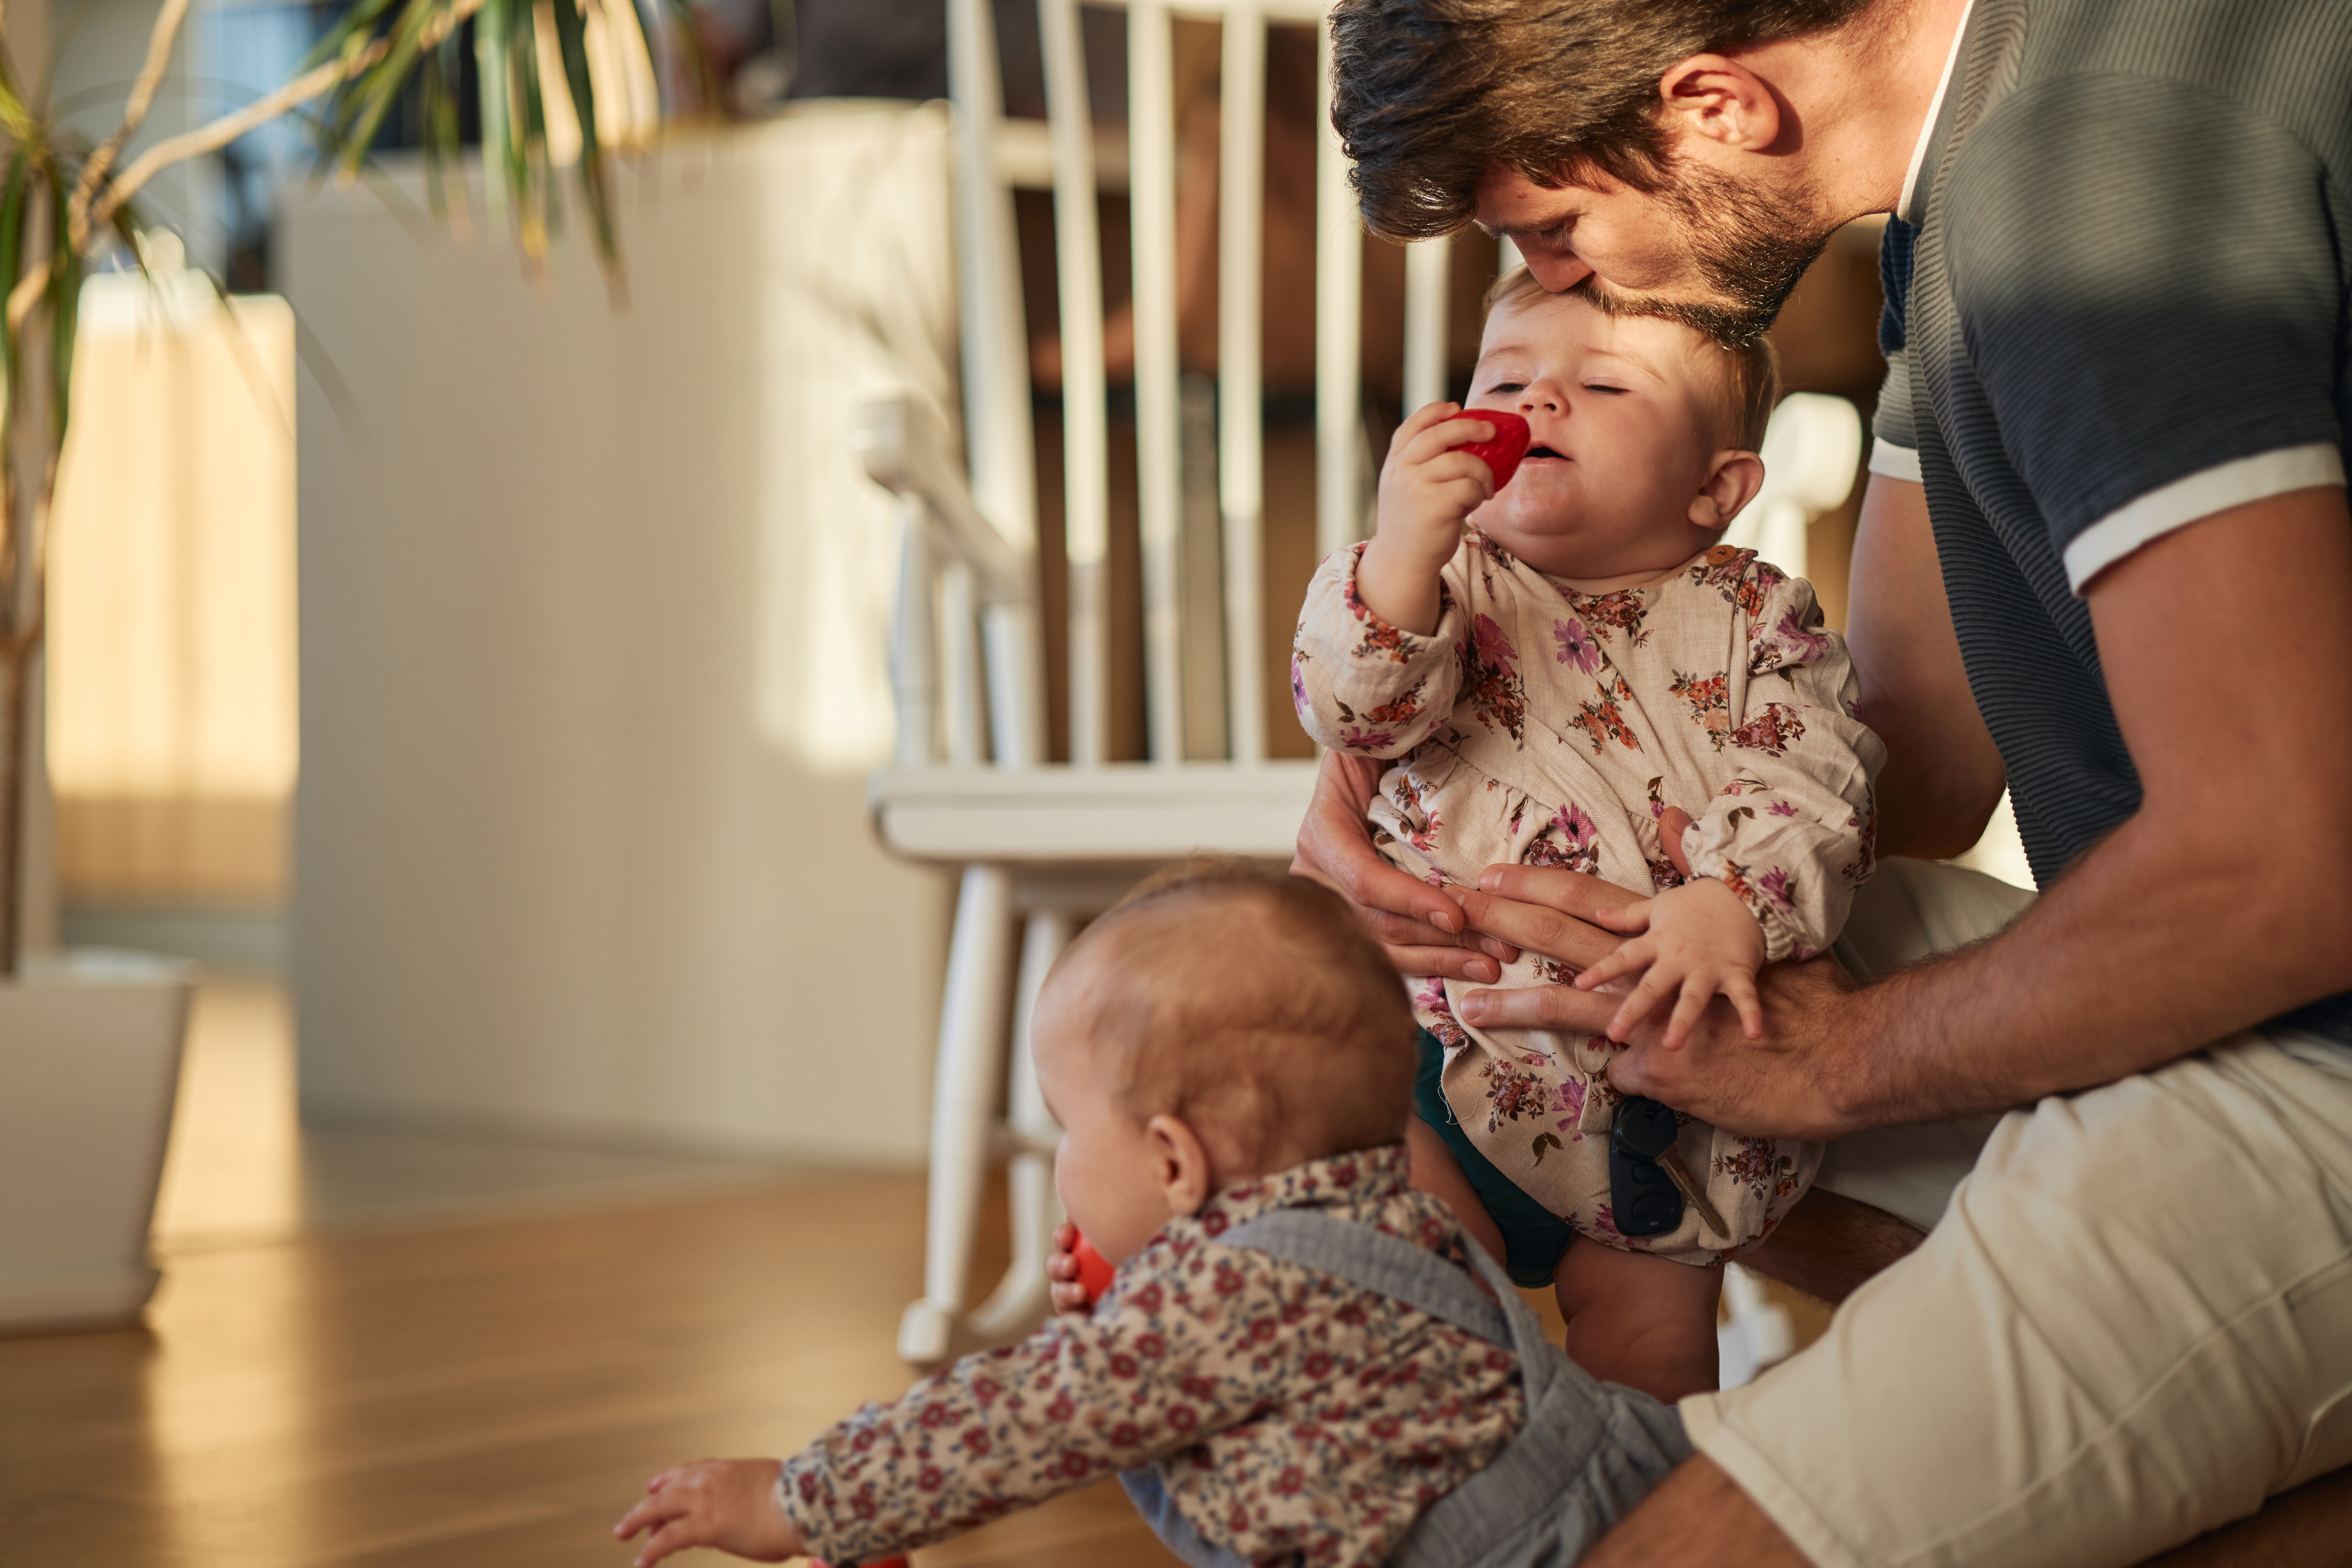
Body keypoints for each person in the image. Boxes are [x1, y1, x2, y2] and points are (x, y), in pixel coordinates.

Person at [1293, 0, 2352, 1564]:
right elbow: (1904, 753)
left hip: (2317, 1038)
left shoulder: (2082, 193)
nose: (1565, 290)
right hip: (2254, 980)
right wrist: (1404, 762)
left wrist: (1840, 1060)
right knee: (1638, 1009)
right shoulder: (1977, 167)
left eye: (1566, 228)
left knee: (1629, 1546)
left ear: (1717, 102)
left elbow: (2285, 866)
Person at [614, 862, 1688, 1568]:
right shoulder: (1387, 1216)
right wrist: (1137, 1305)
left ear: (1174, 1158)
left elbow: (1019, 1421)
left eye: (1068, 1127)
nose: (1060, 1159)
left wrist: (797, 1499)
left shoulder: (1233, 1297)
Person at [1289, 268, 1877, 1403]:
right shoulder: (1441, 586)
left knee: (1652, 1350)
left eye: (1602, 385)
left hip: (1656, 1097)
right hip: (1438, 1040)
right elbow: (1354, 708)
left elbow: (1818, 777)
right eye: (1507, 378)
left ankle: (1622, 1512)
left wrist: (1732, 904)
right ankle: (1454, 1475)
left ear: (1718, 487)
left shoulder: (1758, 616)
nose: (1540, 400)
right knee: (1409, 1282)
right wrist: (1403, 545)